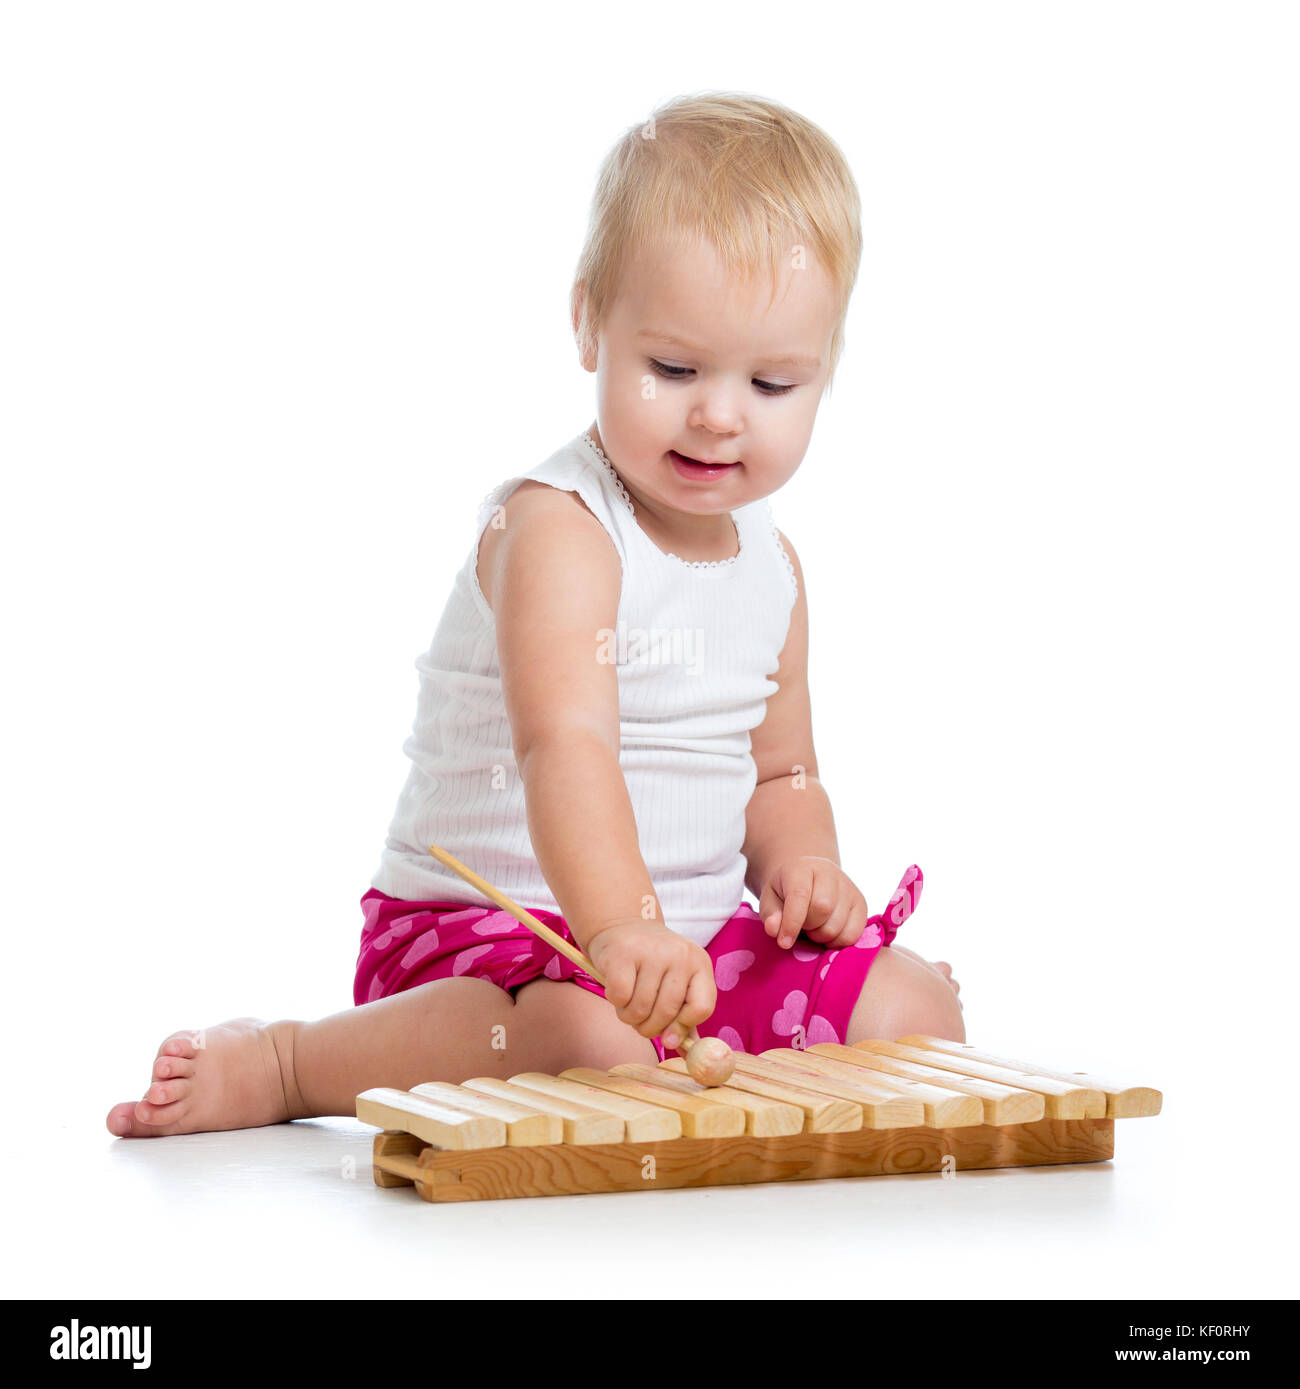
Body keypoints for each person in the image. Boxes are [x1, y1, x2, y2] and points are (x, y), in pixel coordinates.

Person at [106, 92, 962, 1138]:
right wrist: (616, 930)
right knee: (585, 1046)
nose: (718, 413)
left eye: (773, 382)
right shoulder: (559, 528)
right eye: (674, 368)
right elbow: (566, 745)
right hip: (503, 941)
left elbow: (782, 773)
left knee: (915, 1010)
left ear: (824, 375)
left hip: (679, 954)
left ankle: (680, 1034)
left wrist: (803, 870)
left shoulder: (772, 568)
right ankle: (293, 1062)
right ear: (587, 321)